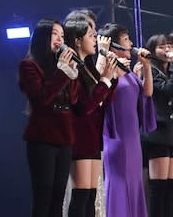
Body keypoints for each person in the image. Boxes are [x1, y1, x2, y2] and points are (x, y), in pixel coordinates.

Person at [18, 18, 79, 217]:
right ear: (43, 36)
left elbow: (74, 99)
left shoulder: (61, 66)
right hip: (42, 137)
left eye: (62, 35)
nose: (60, 39)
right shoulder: (29, 65)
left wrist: (72, 73)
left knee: (58, 196)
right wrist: (62, 71)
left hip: (65, 136)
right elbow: (42, 98)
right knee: (44, 195)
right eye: (55, 34)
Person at [98, 23, 156, 217]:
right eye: (126, 40)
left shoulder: (129, 71)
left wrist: (147, 67)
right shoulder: (108, 69)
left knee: (135, 183)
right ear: (115, 46)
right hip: (116, 138)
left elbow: (147, 92)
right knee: (120, 184)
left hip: (133, 139)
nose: (131, 44)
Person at [63, 15, 117, 217]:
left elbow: (102, 102)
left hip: (93, 136)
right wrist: (105, 82)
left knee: (90, 198)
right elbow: (84, 106)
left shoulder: (89, 65)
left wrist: (111, 79)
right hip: (80, 137)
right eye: (91, 35)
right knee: (81, 197)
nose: (95, 39)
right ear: (77, 40)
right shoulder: (74, 67)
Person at [142, 34, 173, 217]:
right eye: (162, 46)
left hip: (170, 132)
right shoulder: (151, 71)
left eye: (170, 45)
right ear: (153, 50)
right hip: (157, 133)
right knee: (158, 187)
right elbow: (165, 90)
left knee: (170, 186)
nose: (167, 49)